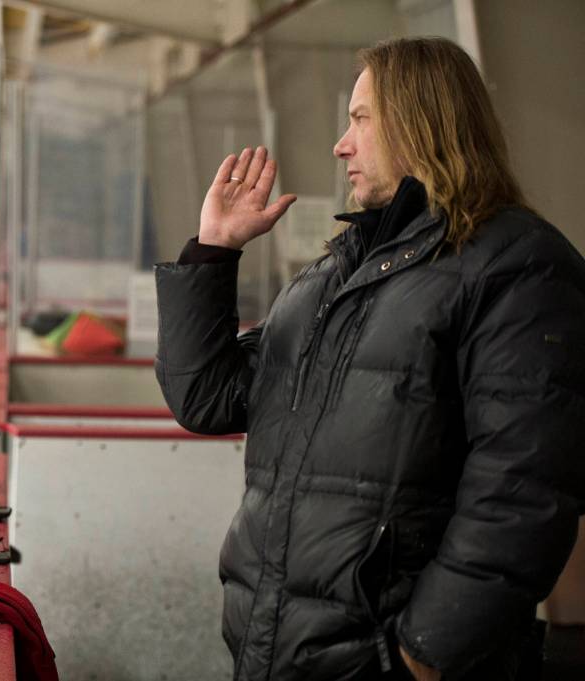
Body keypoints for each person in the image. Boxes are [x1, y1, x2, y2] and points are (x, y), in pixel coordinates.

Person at [155, 37, 585, 681]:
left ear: (421, 119)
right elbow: (209, 399)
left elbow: (521, 495)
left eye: (359, 119)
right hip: (282, 654)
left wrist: (421, 656)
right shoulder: (339, 272)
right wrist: (214, 251)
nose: (340, 144)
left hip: (393, 662)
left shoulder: (518, 267)